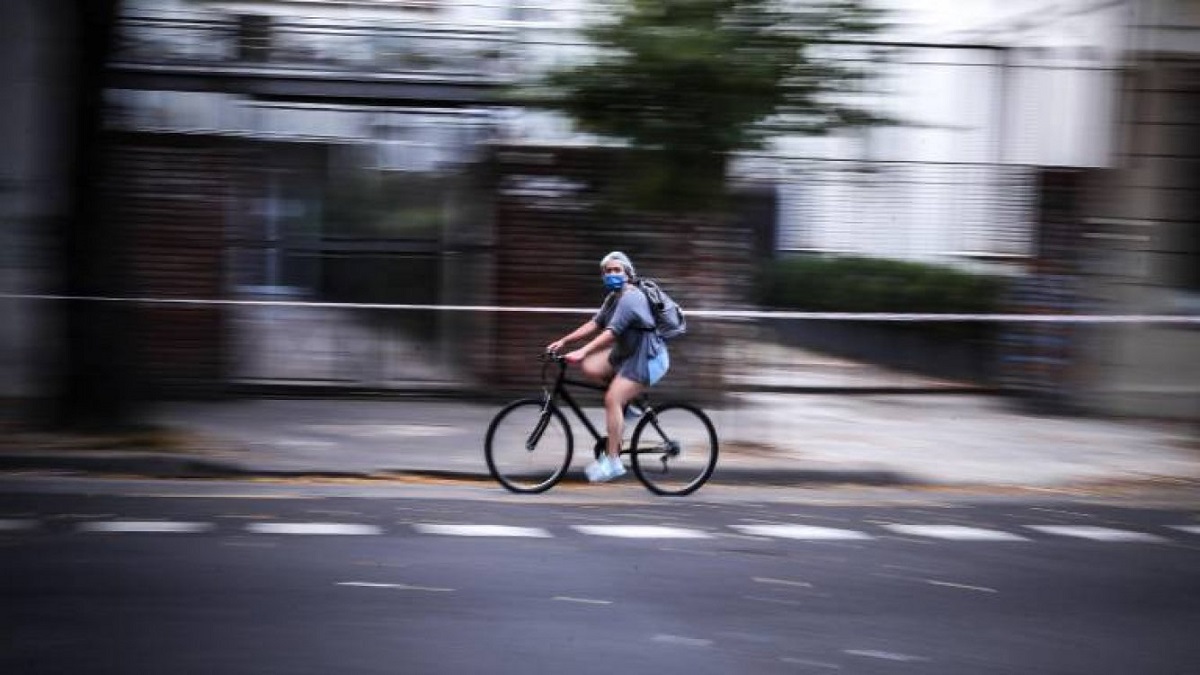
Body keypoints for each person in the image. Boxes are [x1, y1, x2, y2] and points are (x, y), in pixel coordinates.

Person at [546, 251, 670, 482]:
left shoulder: (631, 298)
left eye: (617, 270)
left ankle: (613, 462)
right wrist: (565, 341)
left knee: (611, 399)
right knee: (591, 366)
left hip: (649, 358)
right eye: (608, 271)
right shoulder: (614, 297)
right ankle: (629, 405)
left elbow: (611, 333)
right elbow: (595, 323)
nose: (612, 274)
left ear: (627, 273)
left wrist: (582, 350)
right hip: (628, 355)